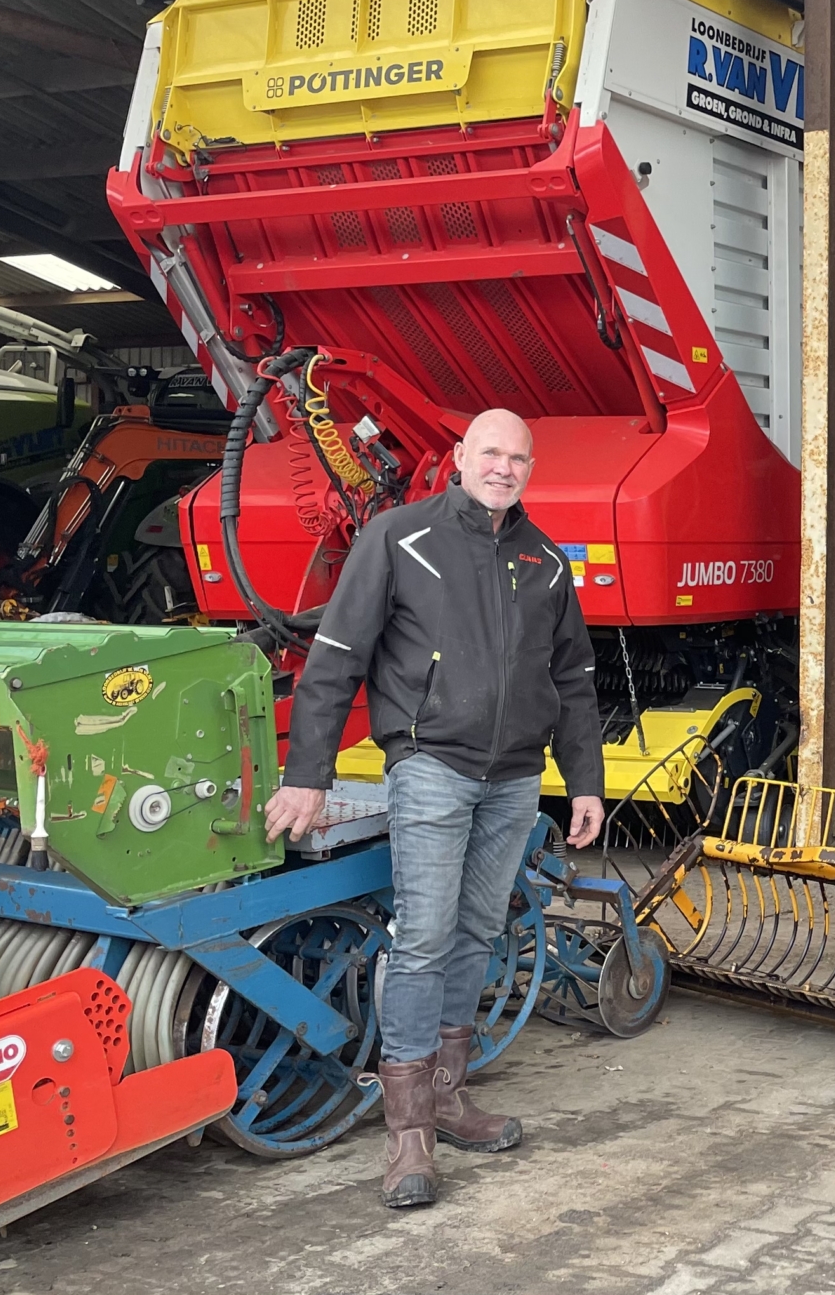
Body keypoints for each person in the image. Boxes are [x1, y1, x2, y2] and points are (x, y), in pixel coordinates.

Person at [263, 407, 607, 1210]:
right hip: (430, 767)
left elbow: (574, 679)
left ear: (530, 469)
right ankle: (409, 1132)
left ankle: (448, 1096)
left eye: (518, 457)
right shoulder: (398, 538)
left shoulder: (543, 560)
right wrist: (308, 774)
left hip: (515, 778)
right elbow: (336, 658)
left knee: (477, 931)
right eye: (490, 452)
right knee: (422, 937)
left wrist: (584, 780)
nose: (504, 467)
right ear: (459, 456)